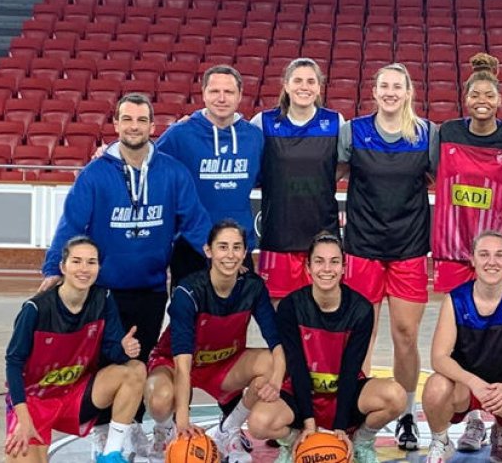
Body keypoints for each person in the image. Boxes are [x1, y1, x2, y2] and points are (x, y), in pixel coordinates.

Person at [41, 93, 212, 370]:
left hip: (152, 290)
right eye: (128, 119)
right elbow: (71, 224)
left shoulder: (174, 173)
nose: (135, 126)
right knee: (102, 365)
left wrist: (220, 258)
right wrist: (53, 269)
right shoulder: (94, 174)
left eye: (142, 120)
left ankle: (130, 416)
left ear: (152, 127)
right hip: (103, 290)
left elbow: (195, 222)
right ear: (116, 125)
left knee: (139, 363)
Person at [432, 52, 502, 455]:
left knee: (500, 341)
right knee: (462, 343)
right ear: (466, 97)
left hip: (494, 254)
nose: (482, 99)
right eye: (475, 93)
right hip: (456, 251)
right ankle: (473, 418)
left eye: (489, 94)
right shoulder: (447, 132)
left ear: (499, 99)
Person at [337, 63, 438, 451]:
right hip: (362, 248)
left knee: (406, 336)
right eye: (384, 86)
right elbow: (332, 174)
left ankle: (407, 415)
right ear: (374, 91)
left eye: (398, 86)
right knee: (361, 335)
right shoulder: (354, 132)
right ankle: (356, 412)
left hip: (409, 249)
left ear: (408, 92)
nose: (391, 92)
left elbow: (439, 178)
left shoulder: (427, 134)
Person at [246, 233, 406, 463]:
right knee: (258, 422)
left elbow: (352, 371)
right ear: (308, 267)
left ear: (344, 268)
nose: (327, 269)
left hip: (344, 394)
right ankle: (293, 442)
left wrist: (341, 426)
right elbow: (297, 366)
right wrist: (309, 423)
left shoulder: (360, 310)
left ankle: (362, 440)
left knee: (395, 395)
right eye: (319, 261)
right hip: (302, 397)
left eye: (334, 261)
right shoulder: (291, 307)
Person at [143, 221, 284, 461]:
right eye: (223, 247)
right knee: (159, 399)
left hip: (223, 364)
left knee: (271, 364)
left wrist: (277, 381)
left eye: (237, 247)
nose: (230, 255)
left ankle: (227, 431)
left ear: (245, 251)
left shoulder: (253, 287)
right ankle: (165, 432)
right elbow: (183, 362)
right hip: (175, 363)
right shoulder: (188, 292)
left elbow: (276, 342)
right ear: (208, 251)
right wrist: (182, 421)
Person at [5, 237, 146, 463]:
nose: (84, 269)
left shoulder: (103, 298)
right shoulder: (35, 309)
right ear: (63, 267)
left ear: (99, 267)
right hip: (35, 401)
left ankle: (110, 454)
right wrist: (22, 418)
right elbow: (13, 364)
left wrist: (124, 349)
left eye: (91, 262)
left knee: (135, 369)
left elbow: (111, 352)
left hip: (76, 395)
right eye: (77, 261)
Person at [422, 231, 502, 463]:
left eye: (499, 255)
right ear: (472, 259)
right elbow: (439, 358)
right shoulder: (455, 300)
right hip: (465, 389)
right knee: (435, 386)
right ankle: (441, 441)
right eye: (484, 254)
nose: (491, 262)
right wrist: (473, 382)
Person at [155, 65, 265, 285]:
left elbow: (264, 178)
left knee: (236, 316)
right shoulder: (179, 135)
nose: (222, 98)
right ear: (203, 94)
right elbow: (146, 164)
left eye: (229, 92)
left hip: (237, 249)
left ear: (240, 96)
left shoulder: (254, 137)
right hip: (191, 248)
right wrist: (109, 151)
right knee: (187, 317)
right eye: (215, 91)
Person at [251, 58, 343, 301]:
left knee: (322, 313)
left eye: (311, 81)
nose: (305, 86)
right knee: (282, 319)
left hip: (322, 235)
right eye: (298, 80)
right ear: (286, 85)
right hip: (278, 235)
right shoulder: (263, 122)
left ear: (319, 87)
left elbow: (344, 167)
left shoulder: (335, 122)